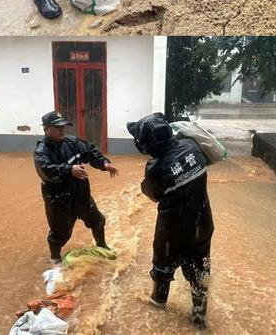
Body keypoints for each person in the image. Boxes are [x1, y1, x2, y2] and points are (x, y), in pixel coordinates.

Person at [127, 113, 213, 329]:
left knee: (162, 271)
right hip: (202, 225)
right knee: (200, 271)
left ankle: (157, 314)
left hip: (172, 233)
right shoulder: (192, 148)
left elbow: (153, 194)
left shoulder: (155, 168)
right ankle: (199, 319)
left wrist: (144, 182)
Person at [34, 111, 119, 269]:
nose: (62, 130)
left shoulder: (72, 142)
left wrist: (104, 164)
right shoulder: (41, 152)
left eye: (63, 126)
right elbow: (46, 171)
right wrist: (69, 170)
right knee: (60, 233)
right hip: (59, 200)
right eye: (57, 127)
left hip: (81, 195)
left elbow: (90, 151)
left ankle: (101, 246)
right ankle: (55, 260)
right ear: (46, 129)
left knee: (97, 220)